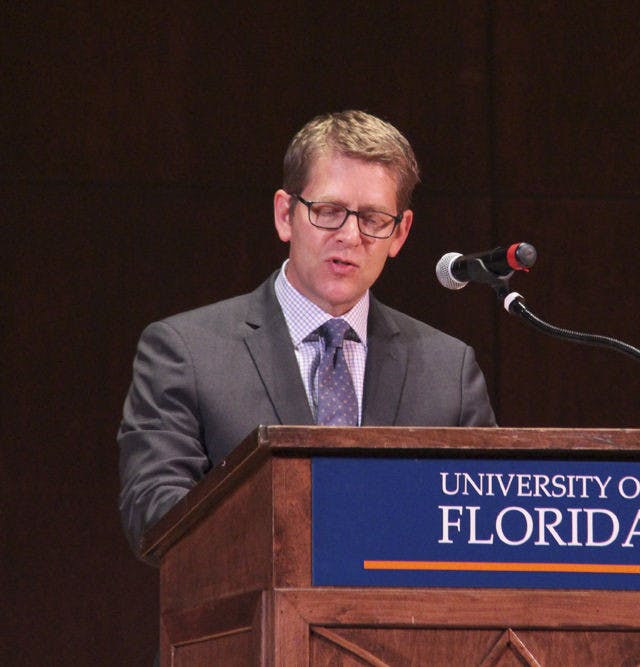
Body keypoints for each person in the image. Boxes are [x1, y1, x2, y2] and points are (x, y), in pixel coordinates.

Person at [118, 110, 496, 557]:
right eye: (329, 212)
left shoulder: (447, 369)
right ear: (285, 214)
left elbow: (484, 526)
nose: (350, 236)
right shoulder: (187, 352)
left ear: (400, 233)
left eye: (374, 219)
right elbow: (156, 511)